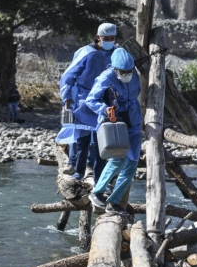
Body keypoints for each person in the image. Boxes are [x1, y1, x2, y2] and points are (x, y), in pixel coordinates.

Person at [55, 23, 117, 182]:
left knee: (100, 142)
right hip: (83, 100)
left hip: (102, 101)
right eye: (106, 38)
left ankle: (99, 178)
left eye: (112, 38)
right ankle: (79, 171)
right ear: (98, 38)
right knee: (82, 140)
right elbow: (68, 76)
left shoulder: (116, 53)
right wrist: (67, 96)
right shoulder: (86, 53)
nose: (109, 41)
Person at [87, 48, 142, 215]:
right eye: (123, 71)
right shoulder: (106, 77)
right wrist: (105, 109)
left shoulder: (134, 75)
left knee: (132, 164)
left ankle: (114, 202)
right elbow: (91, 100)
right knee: (117, 160)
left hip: (133, 121)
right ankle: (97, 192)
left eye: (129, 71)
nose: (127, 74)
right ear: (115, 69)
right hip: (114, 121)